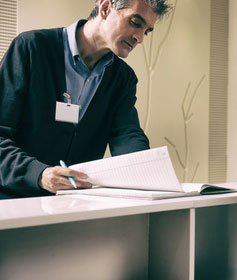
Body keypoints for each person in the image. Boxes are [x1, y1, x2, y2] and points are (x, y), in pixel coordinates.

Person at [0, 0, 172, 199]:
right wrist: (39, 175)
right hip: (13, 202)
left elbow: (127, 135)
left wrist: (150, 171)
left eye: (147, 31)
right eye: (135, 22)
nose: (140, 38)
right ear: (106, 8)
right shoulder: (31, 47)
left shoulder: (123, 78)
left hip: (77, 206)